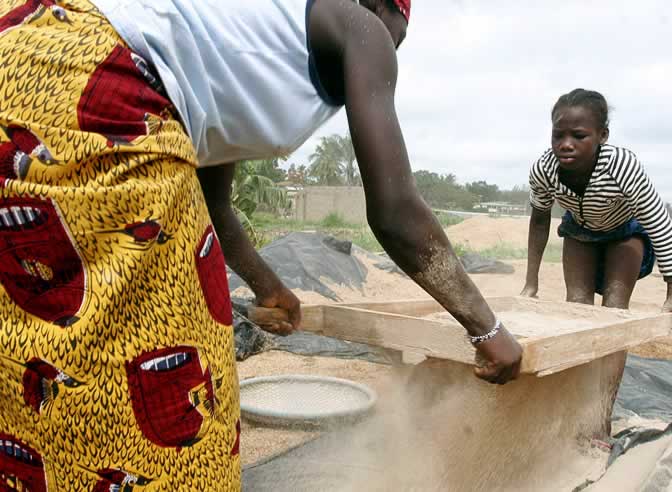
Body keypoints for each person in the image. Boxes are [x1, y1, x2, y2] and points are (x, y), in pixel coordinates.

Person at [0, 0, 521, 490]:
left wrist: (269, 287)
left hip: (24, 39)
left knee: (40, 344)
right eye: (399, 36)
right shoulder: (364, 27)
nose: (392, 52)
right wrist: (486, 328)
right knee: (178, 395)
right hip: (91, 86)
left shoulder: (225, 36)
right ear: (383, 5)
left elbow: (216, 204)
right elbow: (395, 211)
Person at [521, 88, 672, 311]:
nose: (566, 144)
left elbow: (658, 224)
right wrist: (530, 283)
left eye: (579, 136)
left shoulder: (622, 167)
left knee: (614, 307)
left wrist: (671, 291)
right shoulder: (544, 169)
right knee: (577, 307)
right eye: (558, 135)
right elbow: (539, 221)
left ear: (603, 135)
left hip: (624, 234)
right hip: (579, 233)